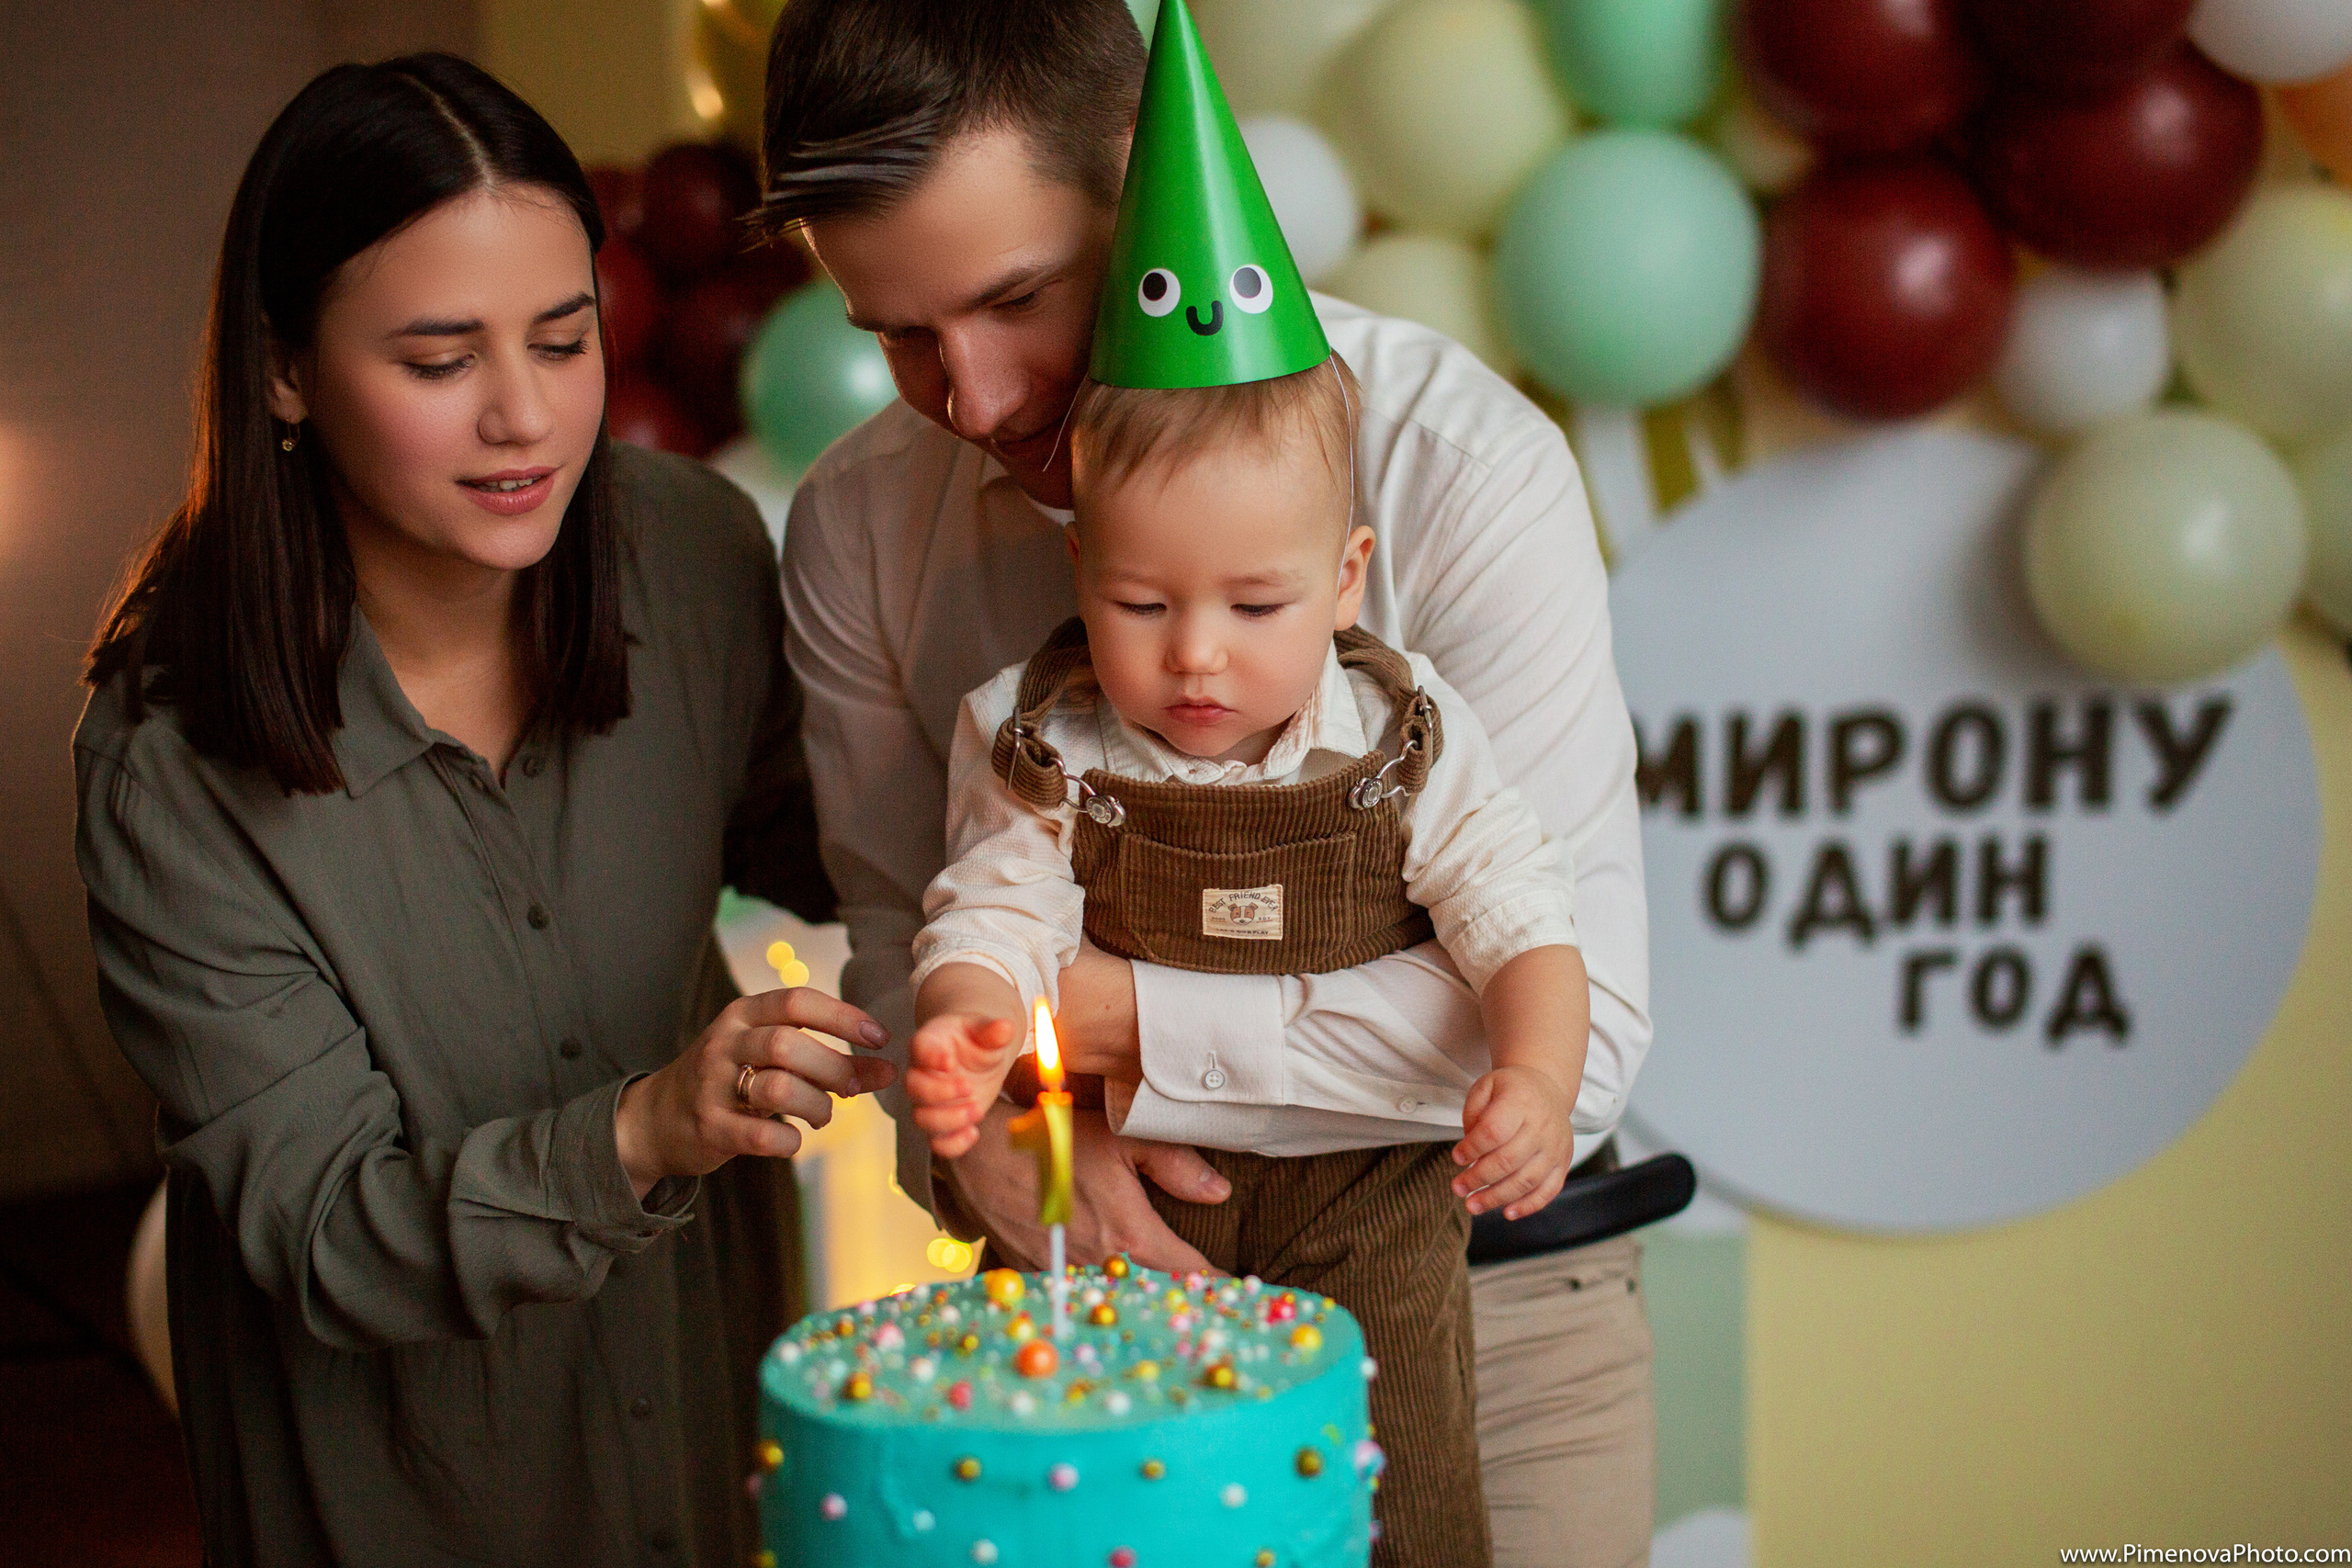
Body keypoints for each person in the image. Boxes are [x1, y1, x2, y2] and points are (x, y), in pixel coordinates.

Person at [763, 2, 1657, 1563]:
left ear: (1138, 175)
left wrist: (1119, 1024)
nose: (971, 397)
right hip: (1091, 1304)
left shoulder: (1462, 469)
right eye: (900, 333)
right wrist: (992, 1143)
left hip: (1486, 1299)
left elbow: (1583, 1046)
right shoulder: (856, 532)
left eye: (1015, 299)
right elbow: (913, 933)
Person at [74, 54, 890, 1568]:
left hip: (705, 1420)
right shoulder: (172, 764)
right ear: (283, 371)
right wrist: (645, 1128)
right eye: (441, 361)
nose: (527, 418)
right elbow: (323, 1234)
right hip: (410, 1487)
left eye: (566, 338)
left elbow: (840, 844)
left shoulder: (685, 554)